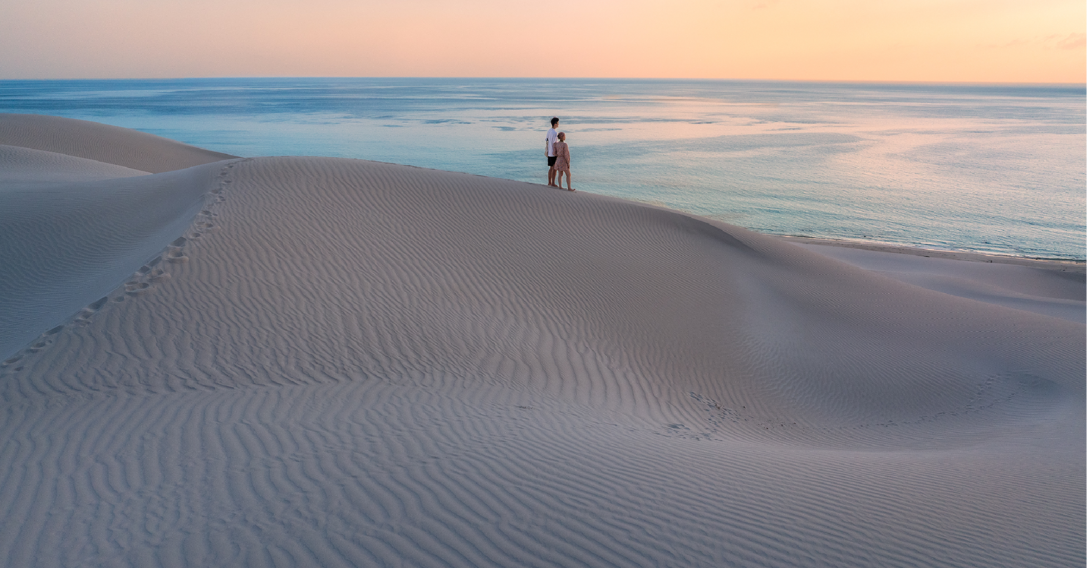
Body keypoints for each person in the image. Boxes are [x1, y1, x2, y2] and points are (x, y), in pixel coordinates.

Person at [545, 117, 560, 187]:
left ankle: (549, 182)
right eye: (558, 123)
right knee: (554, 169)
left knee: (551, 168)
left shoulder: (549, 131)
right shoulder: (555, 133)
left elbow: (547, 140)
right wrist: (557, 153)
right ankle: (553, 183)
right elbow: (555, 144)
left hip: (549, 152)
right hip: (553, 153)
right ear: (555, 124)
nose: (558, 124)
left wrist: (547, 150)